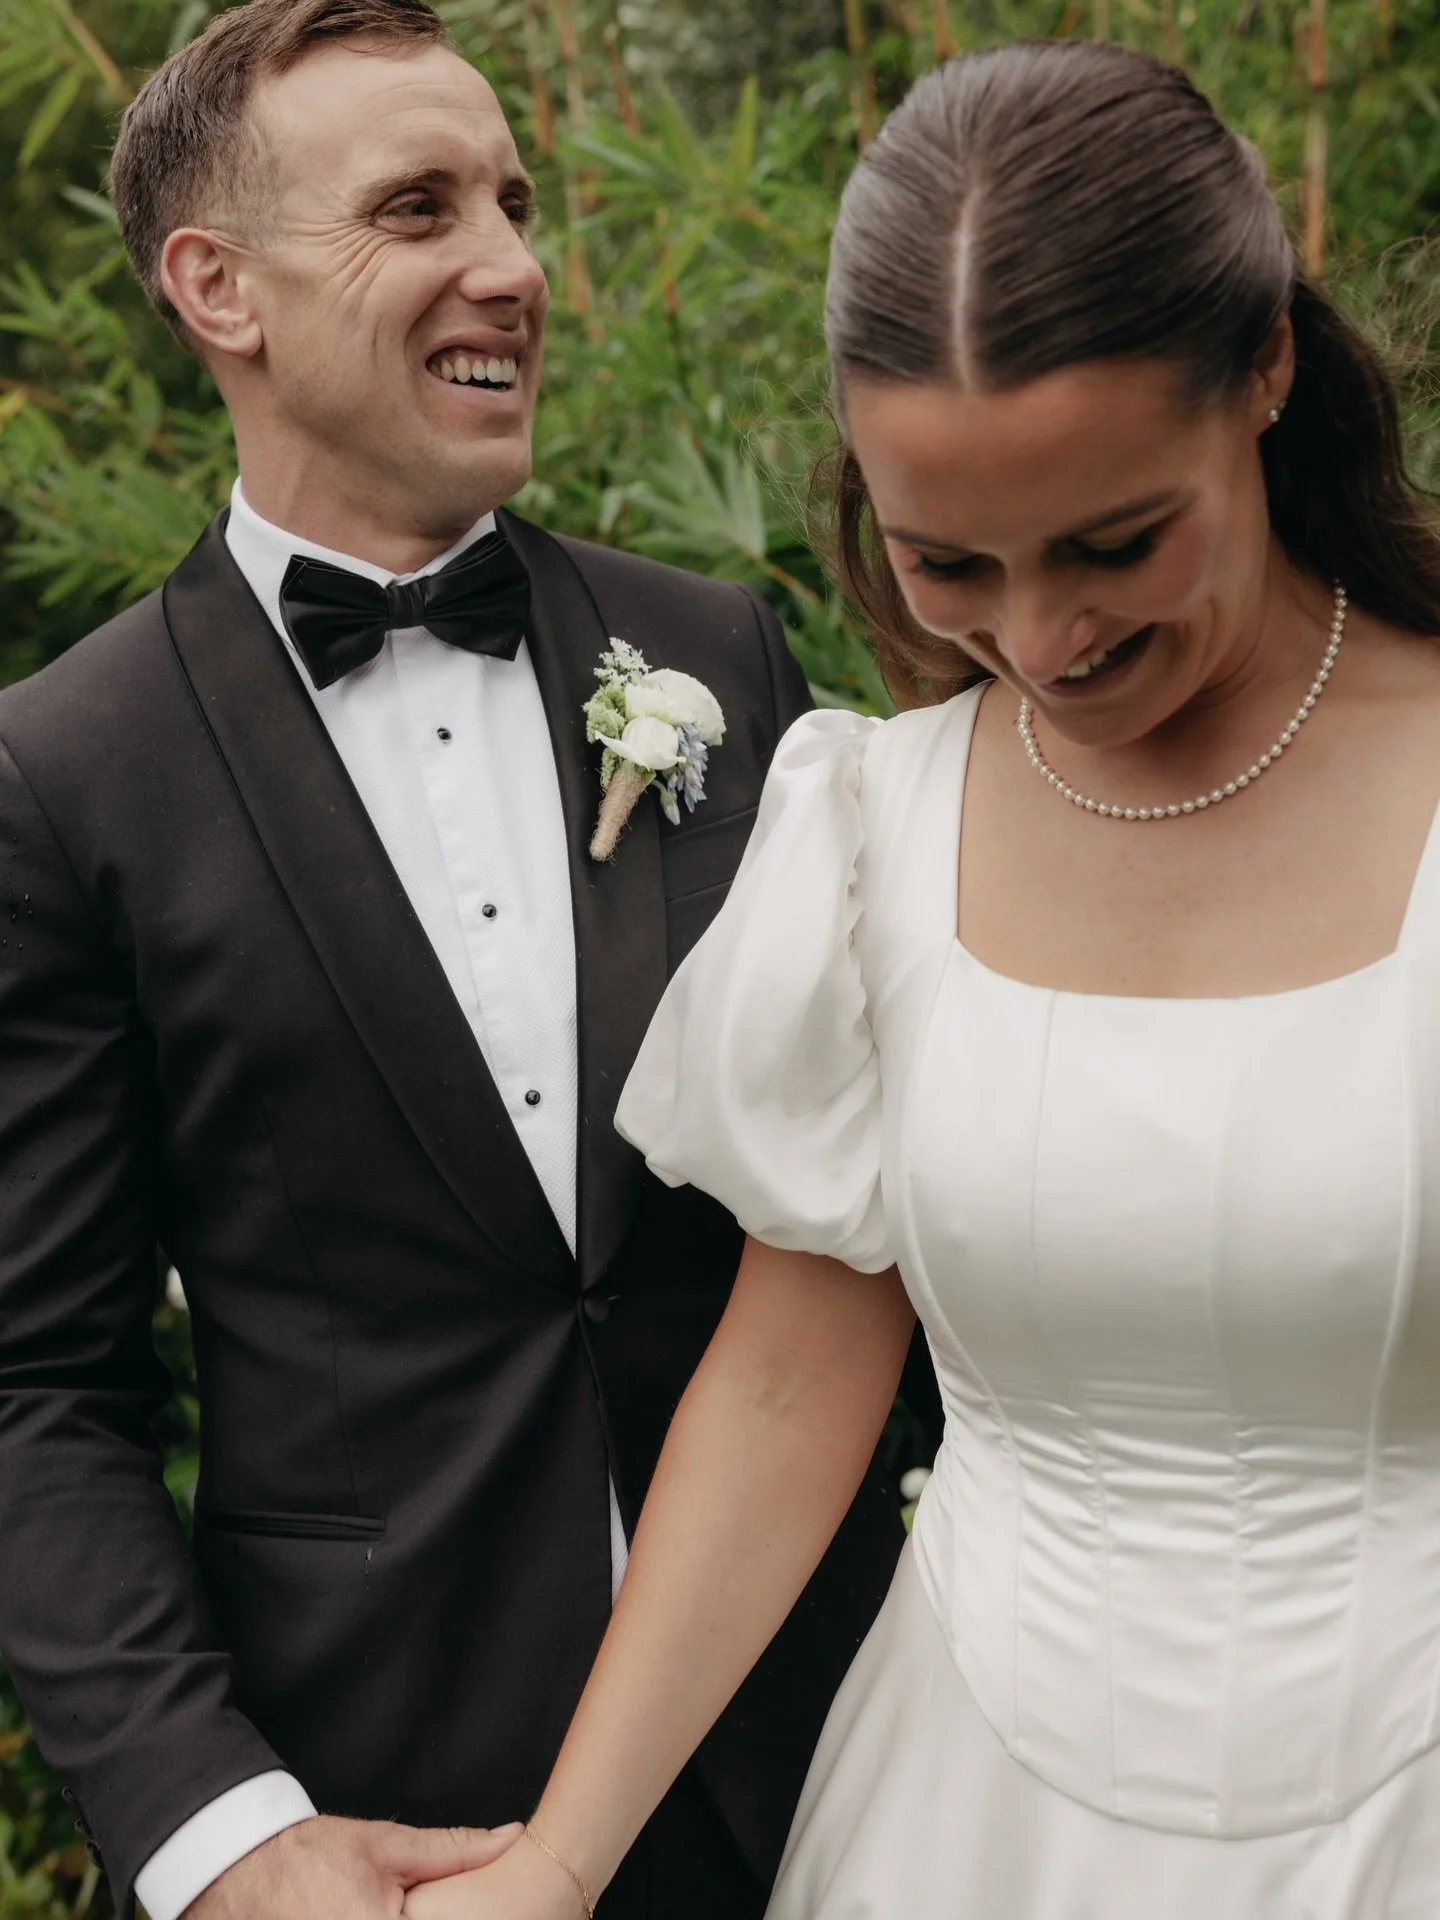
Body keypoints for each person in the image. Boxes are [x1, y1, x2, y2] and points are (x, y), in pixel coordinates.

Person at [398, 38, 1440, 1920]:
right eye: (949, 559)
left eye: (1118, 541)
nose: (1042, 641)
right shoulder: (873, 825)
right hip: (966, 1827)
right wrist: (556, 1868)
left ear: (1267, 369)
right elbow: (794, 1386)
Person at [0, 3, 907, 1917]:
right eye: (418, 209)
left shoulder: (720, 658)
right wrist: (222, 1835)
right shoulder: (68, 771)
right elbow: (35, 1384)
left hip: (822, 1760)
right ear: (216, 289)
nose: (512, 263)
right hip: (376, 1819)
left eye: (513, 196)